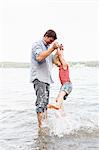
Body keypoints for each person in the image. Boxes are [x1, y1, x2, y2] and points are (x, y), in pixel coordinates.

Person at [30, 29, 60, 128]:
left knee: (45, 103)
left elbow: (55, 62)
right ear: (46, 36)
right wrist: (52, 49)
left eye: (52, 42)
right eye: (50, 41)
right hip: (39, 78)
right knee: (41, 102)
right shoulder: (37, 44)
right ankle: (40, 127)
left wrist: (58, 51)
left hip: (46, 79)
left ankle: (45, 124)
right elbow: (39, 57)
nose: (51, 43)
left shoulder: (47, 48)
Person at [48, 46, 72, 114]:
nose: (56, 64)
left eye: (57, 62)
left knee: (60, 97)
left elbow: (60, 56)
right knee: (58, 99)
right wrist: (61, 50)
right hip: (64, 85)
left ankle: (58, 106)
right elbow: (58, 57)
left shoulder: (65, 65)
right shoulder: (61, 67)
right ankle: (63, 114)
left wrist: (58, 48)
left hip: (67, 85)